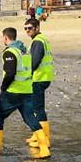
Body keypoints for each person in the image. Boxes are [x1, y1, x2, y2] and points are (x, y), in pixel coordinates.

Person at [0, 27, 49, 159]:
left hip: (13, 92)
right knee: (30, 118)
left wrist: (3, 87)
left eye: (3, 38)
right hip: (27, 90)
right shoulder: (24, 51)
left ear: (6, 38)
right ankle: (44, 148)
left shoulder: (10, 52)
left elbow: (10, 73)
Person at [24, 18, 54, 150]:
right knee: (36, 108)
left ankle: (45, 138)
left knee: (38, 108)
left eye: (30, 28)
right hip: (43, 77)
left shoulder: (38, 42)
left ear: (37, 28)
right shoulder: (42, 39)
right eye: (25, 29)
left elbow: (34, 62)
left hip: (39, 78)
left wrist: (25, 75)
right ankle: (37, 135)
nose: (27, 31)